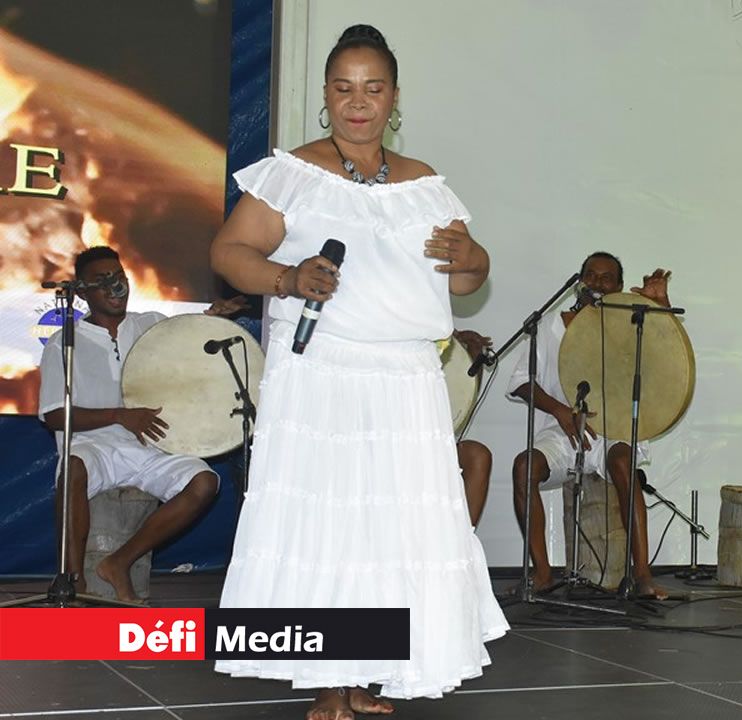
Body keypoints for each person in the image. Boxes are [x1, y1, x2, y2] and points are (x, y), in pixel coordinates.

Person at [208, 25, 507, 719]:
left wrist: (475, 257)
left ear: (394, 97)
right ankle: (327, 680)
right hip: (324, 375)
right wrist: (286, 277)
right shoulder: (295, 172)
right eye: (344, 88)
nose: (358, 102)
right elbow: (230, 252)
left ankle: (366, 671)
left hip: (406, 379)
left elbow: (466, 278)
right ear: (326, 95)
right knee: (329, 521)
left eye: (373, 88)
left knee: (390, 529)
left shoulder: (425, 183)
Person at [37, 245, 242, 603]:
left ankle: (119, 562)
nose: (116, 287)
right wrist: (119, 415)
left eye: (119, 277)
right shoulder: (63, 343)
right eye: (103, 280)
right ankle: (73, 582)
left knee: (204, 482)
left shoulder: (150, 325)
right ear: (82, 292)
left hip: (150, 448)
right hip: (94, 449)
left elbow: (192, 345)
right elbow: (54, 415)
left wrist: (213, 318)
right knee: (71, 468)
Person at [509, 252, 672, 600]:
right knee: (524, 467)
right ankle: (542, 573)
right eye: (591, 275)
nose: (597, 283)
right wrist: (560, 411)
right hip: (563, 430)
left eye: (606, 277)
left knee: (624, 464)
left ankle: (642, 576)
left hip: (613, 430)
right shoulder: (550, 325)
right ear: (579, 282)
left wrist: (661, 306)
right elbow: (522, 382)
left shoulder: (632, 324)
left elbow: (668, 357)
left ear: (619, 286)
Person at [454, 329, 493, 528]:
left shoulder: (446, 332)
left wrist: (472, 354)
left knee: (477, 454)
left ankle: (462, 541)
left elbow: (462, 398)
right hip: (403, 438)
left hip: (439, 441)